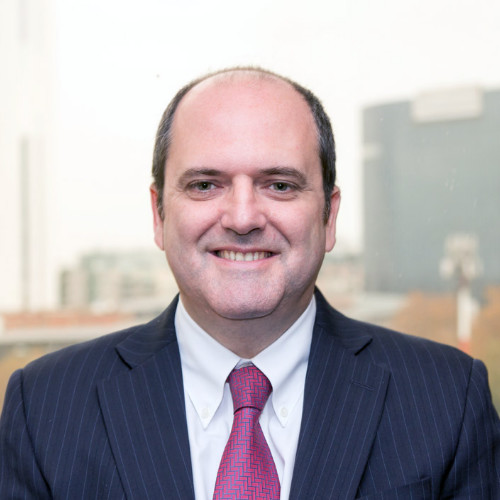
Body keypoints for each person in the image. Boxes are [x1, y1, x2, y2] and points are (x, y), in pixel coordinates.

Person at [1, 67, 499, 499]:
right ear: (158, 214)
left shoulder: (447, 401)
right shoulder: (44, 410)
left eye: (279, 185)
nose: (242, 218)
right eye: (205, 185)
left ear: (329, 217)